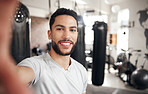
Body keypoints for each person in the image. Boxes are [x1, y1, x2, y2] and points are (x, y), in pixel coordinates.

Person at [0, 1, 88, 94]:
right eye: (60, 29)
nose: (67, 36)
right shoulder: (36, 66)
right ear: (50, 34)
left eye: (72, 30)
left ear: (77, 35)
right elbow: (16, 76)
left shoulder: (81, 70)